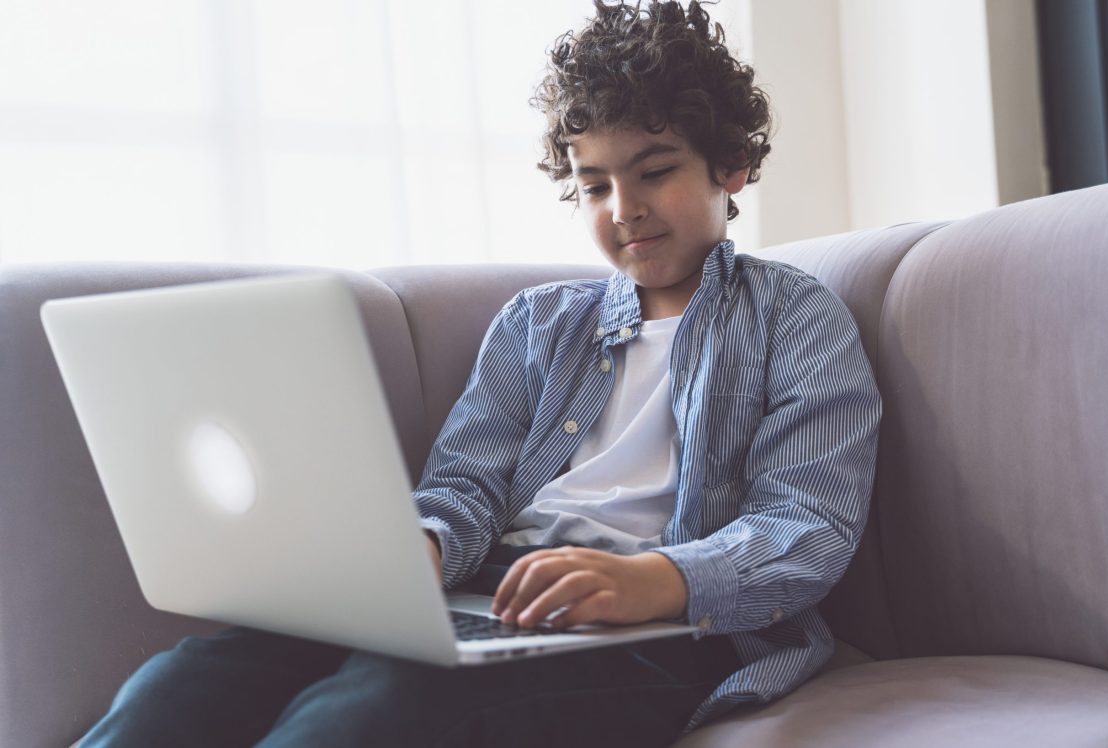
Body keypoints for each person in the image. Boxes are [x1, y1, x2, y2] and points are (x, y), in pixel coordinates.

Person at [79, 1, 880, 746]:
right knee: (187, 684)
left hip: (665, 631)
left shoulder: (795, 318)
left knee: (380, 705)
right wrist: (420, 551)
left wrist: (655, 580)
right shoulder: (538, 323)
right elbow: (464, 486)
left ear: (732, 165)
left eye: (655, 170)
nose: (623, 208)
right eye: (594, 184)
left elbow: (807, 526)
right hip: (488, 599)